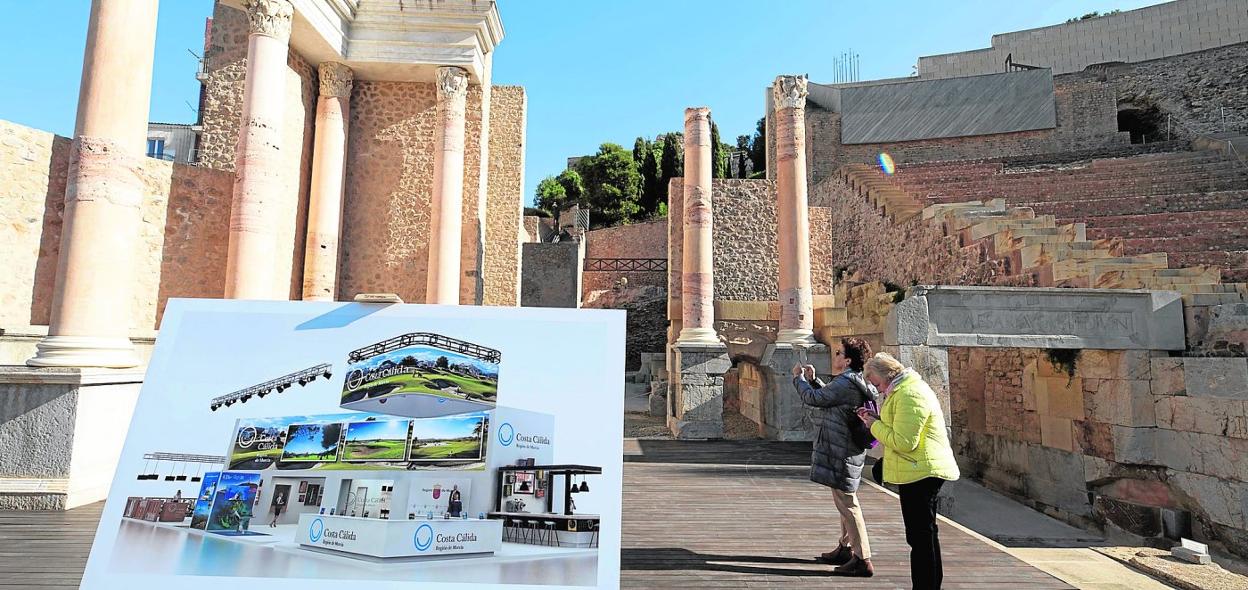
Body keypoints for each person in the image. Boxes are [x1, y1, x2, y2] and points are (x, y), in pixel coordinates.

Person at [857, 352, 960, 590]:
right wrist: (876, 418)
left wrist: (874, 425)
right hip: (917, 469)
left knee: (920, 536)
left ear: (887, 376)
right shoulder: (902, 391)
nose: (879, 390)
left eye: (878, 384)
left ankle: (925, 586)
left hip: (921, 471)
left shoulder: (910, 394)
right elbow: (900, 426)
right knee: (924, 534)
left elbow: (904, 441)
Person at [791, 337, 879, 577]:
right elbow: (830, 398)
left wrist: (798, 379)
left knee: (848, 503)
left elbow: (814, 399)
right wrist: (813, 380)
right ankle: (846, 548)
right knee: (843, 501)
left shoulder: (846, 383)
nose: (836, 355)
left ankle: (863, 558)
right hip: (846, 448)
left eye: (839, 353)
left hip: (841, 450)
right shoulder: (852, 382)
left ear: (848, 360)